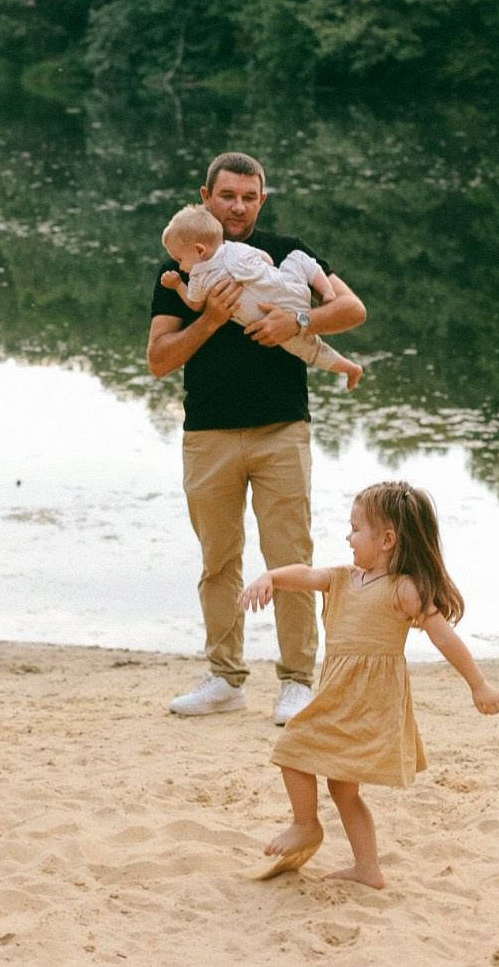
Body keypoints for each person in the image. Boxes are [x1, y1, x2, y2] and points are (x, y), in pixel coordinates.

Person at [148, 151, 366, 724]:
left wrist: (297, 322)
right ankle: (224, 679)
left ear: (261, 199)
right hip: (208, 435)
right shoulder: (184, 260)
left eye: (249, 197)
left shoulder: (287, 250)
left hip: (282, 430)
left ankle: (297, 682)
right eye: (227, 196)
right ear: (206, 196)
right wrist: (211, 320)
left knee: (291, 558)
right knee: (218, 561)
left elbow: (351, 308)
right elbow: (158, 361)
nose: (238, 207)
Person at [239, 481, 499, 888]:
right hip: (338, 694)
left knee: (292, 748)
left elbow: (443, 636)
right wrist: (270, 577)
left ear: (386, 539)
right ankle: (368, 869)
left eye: (355, 529)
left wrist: (478, 683)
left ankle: (305, 824)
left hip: (367, 702)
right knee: (343, 789)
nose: (348, 536)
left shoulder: (404, 587)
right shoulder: (345, 578)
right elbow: (306, 573)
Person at [159, 205, 363, 390]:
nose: (179, 266)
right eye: (228, 196)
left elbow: (194, 304)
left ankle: (349, 368)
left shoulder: (196, 277)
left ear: (199, 250)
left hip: (268, 318)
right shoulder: (234, 248)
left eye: (179, 259)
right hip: (290, 288)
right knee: (298, 258)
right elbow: (267, 258)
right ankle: (327, 292)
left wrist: (177, 285)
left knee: (311, 351)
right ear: (207, 195)